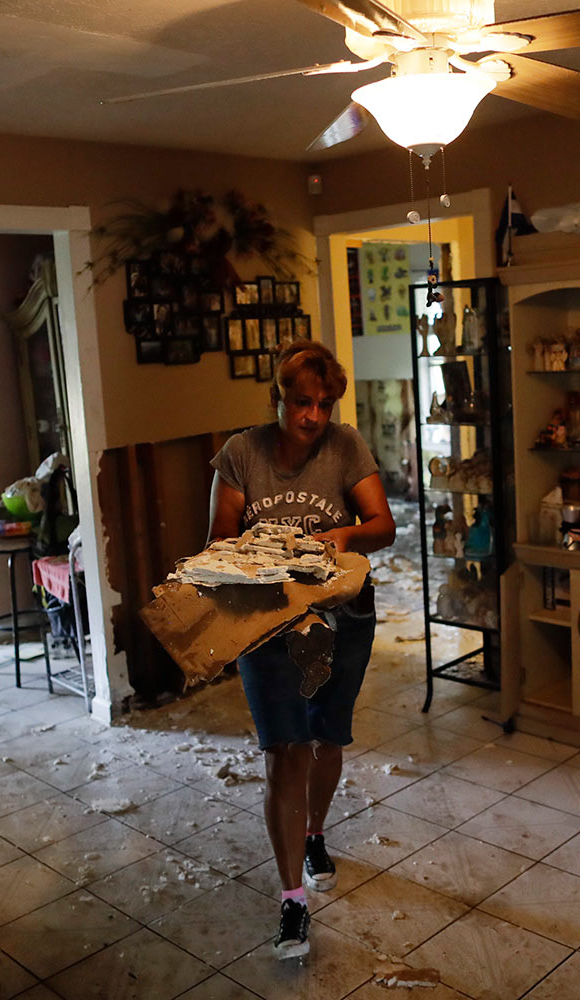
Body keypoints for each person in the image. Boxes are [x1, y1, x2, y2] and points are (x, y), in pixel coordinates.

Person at [207, 340, 395, 960]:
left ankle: (315, 833)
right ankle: (293, 900)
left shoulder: (345, 446)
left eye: (324, 404)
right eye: (301, 402)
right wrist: (266, 562)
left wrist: (342, 533)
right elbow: (219, 541)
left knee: (326, 739)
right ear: (278, 397)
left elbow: (383, 525)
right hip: (265, 626)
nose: (313, 416)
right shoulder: (241, 454)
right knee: (284, 752)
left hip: (343, 620)